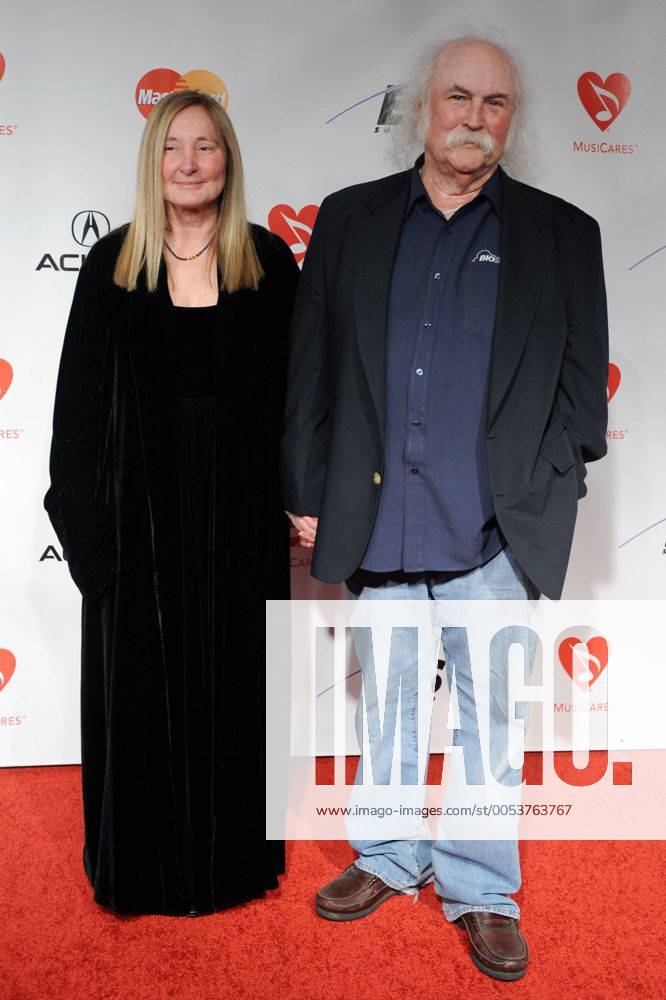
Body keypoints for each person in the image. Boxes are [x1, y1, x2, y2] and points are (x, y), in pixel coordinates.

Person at [281, 35, 608, 980]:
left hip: (494, 532)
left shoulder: (563, 232)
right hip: (376, 516)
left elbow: (583, 396)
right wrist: (304, 491)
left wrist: (544, 486)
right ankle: (387, 854)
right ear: (424, 106)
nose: (474, 116)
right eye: (458, 96)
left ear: (512, 118)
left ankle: (478, 886)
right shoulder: (349, 221)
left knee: (491, 717)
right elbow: (310, 373)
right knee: (385, 701)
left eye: (495, 102)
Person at [44, 90, 299, 915]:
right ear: (152, 162)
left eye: (206, 146)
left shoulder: (266, 260)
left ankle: (231, 866)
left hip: (240, 530)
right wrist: (90, 545)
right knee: (141, 704)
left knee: (238, 690)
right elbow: (76, 414)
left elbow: (298, 400)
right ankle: (143, 870)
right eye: (172, 147)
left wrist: (300, 501)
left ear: (229, 161)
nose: (189, 164)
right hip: (135, 532)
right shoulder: (114, 263)